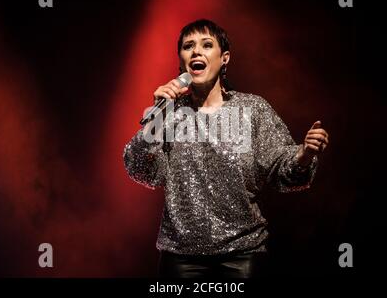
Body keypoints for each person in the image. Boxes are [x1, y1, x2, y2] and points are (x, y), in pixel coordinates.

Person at [123, 19, 329, 278]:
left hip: (243, 254)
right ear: (181, 61)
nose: (196, 51)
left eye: (207, 45)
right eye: (188, 46)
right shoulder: (169, 114)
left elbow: (280, 169)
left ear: (224, 58)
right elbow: (141, 169)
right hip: (180, 257)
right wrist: (156, 116)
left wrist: (304, 154)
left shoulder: (252, 109)